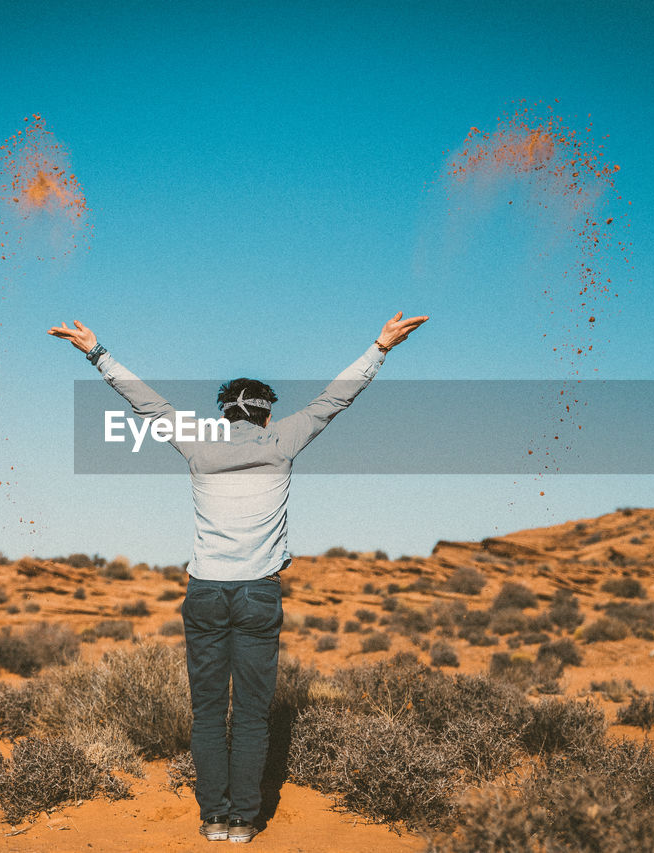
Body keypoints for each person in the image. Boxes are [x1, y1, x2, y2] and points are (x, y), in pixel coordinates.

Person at [48, 311, 428, 843]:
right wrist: (380, 348)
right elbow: (334, 399)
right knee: (250, 715)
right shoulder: (282, 443)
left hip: (204, 593)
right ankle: (244, 822)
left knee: (207, 714)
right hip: (257, 596)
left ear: (225, 415)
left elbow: (146, 403)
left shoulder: (199, 446)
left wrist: (96, 352)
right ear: (267, 415)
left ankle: (212, 819)